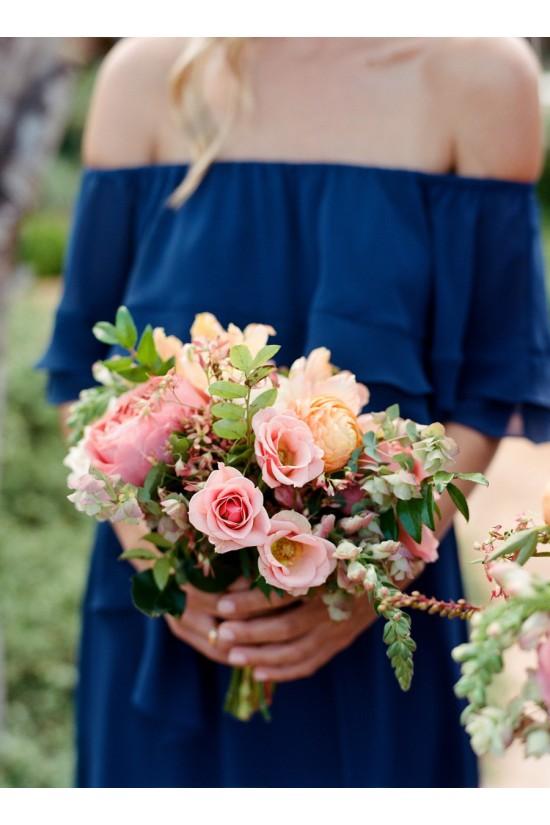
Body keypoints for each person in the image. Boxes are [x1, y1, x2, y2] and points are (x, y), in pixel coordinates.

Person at [39, 37, 550, 788]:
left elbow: (491, 379)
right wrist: (160, 564)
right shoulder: (142, 79)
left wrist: (367, 586)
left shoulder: (480, 79)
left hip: (374, 632)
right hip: (162, 633)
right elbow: (81, 371)